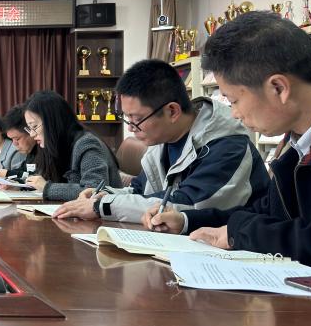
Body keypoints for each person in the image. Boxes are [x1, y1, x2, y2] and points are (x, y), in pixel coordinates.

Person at [145, 11, 311, 271]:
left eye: (234, 100)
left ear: (278, 88)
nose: (234, 114)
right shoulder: (302, 139)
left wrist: (240, 233)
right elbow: (266, 212)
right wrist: (186, 221)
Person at [55, 59, 267, 222]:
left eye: (137, 119)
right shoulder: (162, 141)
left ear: (172, 111)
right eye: (127, 118)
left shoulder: (228, 146)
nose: (130, 128)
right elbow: (140, 191)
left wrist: (101, 206)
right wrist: (104, 194)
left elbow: (185, 204)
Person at [21, 90, 122, 201]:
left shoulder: (87, 143)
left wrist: (47, 188)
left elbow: (95, 191)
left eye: (34, 126)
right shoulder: (54, 145)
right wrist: (23, 186)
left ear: (53, 122)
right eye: (29, 128)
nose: (32, 134)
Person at [0, 105, 37, 186]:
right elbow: (25, 172)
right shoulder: (31, 152)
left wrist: (2, 173)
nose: (14, 143)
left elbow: (36, 177)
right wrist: (15, 184)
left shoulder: (43, 149)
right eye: (12, 139)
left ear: (30, 130)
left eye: (17, 139)